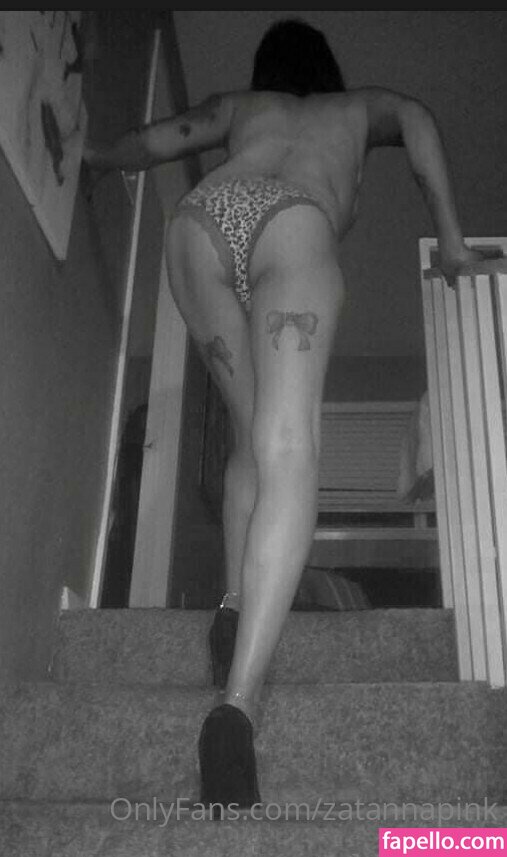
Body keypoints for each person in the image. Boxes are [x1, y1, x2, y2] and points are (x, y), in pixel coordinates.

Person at [85, 18, 482, 813]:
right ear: (326, 70)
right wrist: (449, 239)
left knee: (248, 436)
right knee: (288, 448)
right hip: (291, 224)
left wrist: (93, 158)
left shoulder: (245, 106)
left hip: (201, 222)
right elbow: (416, 118)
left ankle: (233, 605)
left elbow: (155, 140)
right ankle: (235, 707)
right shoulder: (358, 107)